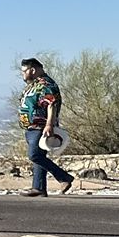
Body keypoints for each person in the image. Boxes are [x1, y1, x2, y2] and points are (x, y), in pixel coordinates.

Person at [18, 58, 74, 196]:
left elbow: (52, 104)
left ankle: (63, 177)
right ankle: (39, 188)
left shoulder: (46, 84)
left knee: (35, 155)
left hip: (40, 127)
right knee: (39, 156)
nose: (23, 75)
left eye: (24, 71)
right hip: (31, 128)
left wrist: (49, 124)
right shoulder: (34, 85)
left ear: (32, 70)